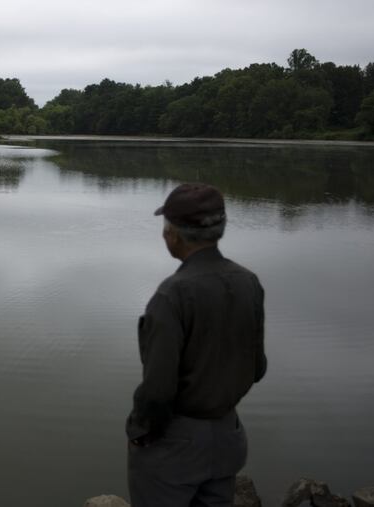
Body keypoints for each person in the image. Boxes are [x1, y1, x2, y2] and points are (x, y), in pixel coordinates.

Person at [126, 182, 266, 507]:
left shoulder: (172, 295)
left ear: (174, 234)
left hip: (176, 443)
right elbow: (257, 368)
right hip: (228, 436)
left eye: (166, 226)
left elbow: (158, 390)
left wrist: (139, 432)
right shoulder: (249, 282)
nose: (164, 234)